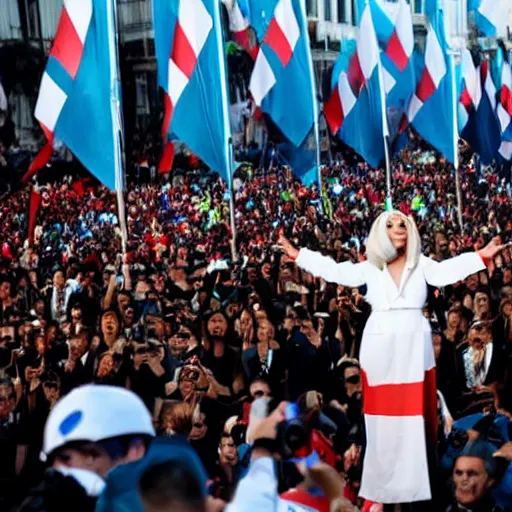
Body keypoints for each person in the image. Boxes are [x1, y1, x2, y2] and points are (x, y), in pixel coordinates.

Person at [277, 210, 506, 505]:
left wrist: (481, 256)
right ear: (378, 232)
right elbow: (335, 270)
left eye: (403, 224)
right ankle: (382, 494)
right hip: (380, 346)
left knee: (415, 418)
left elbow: (448, 270)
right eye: (390, 224)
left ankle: (416, 492)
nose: (398, 228)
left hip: (414, 345)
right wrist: (300, 255)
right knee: (382, 421)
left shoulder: (421, 264)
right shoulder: (370, 267)